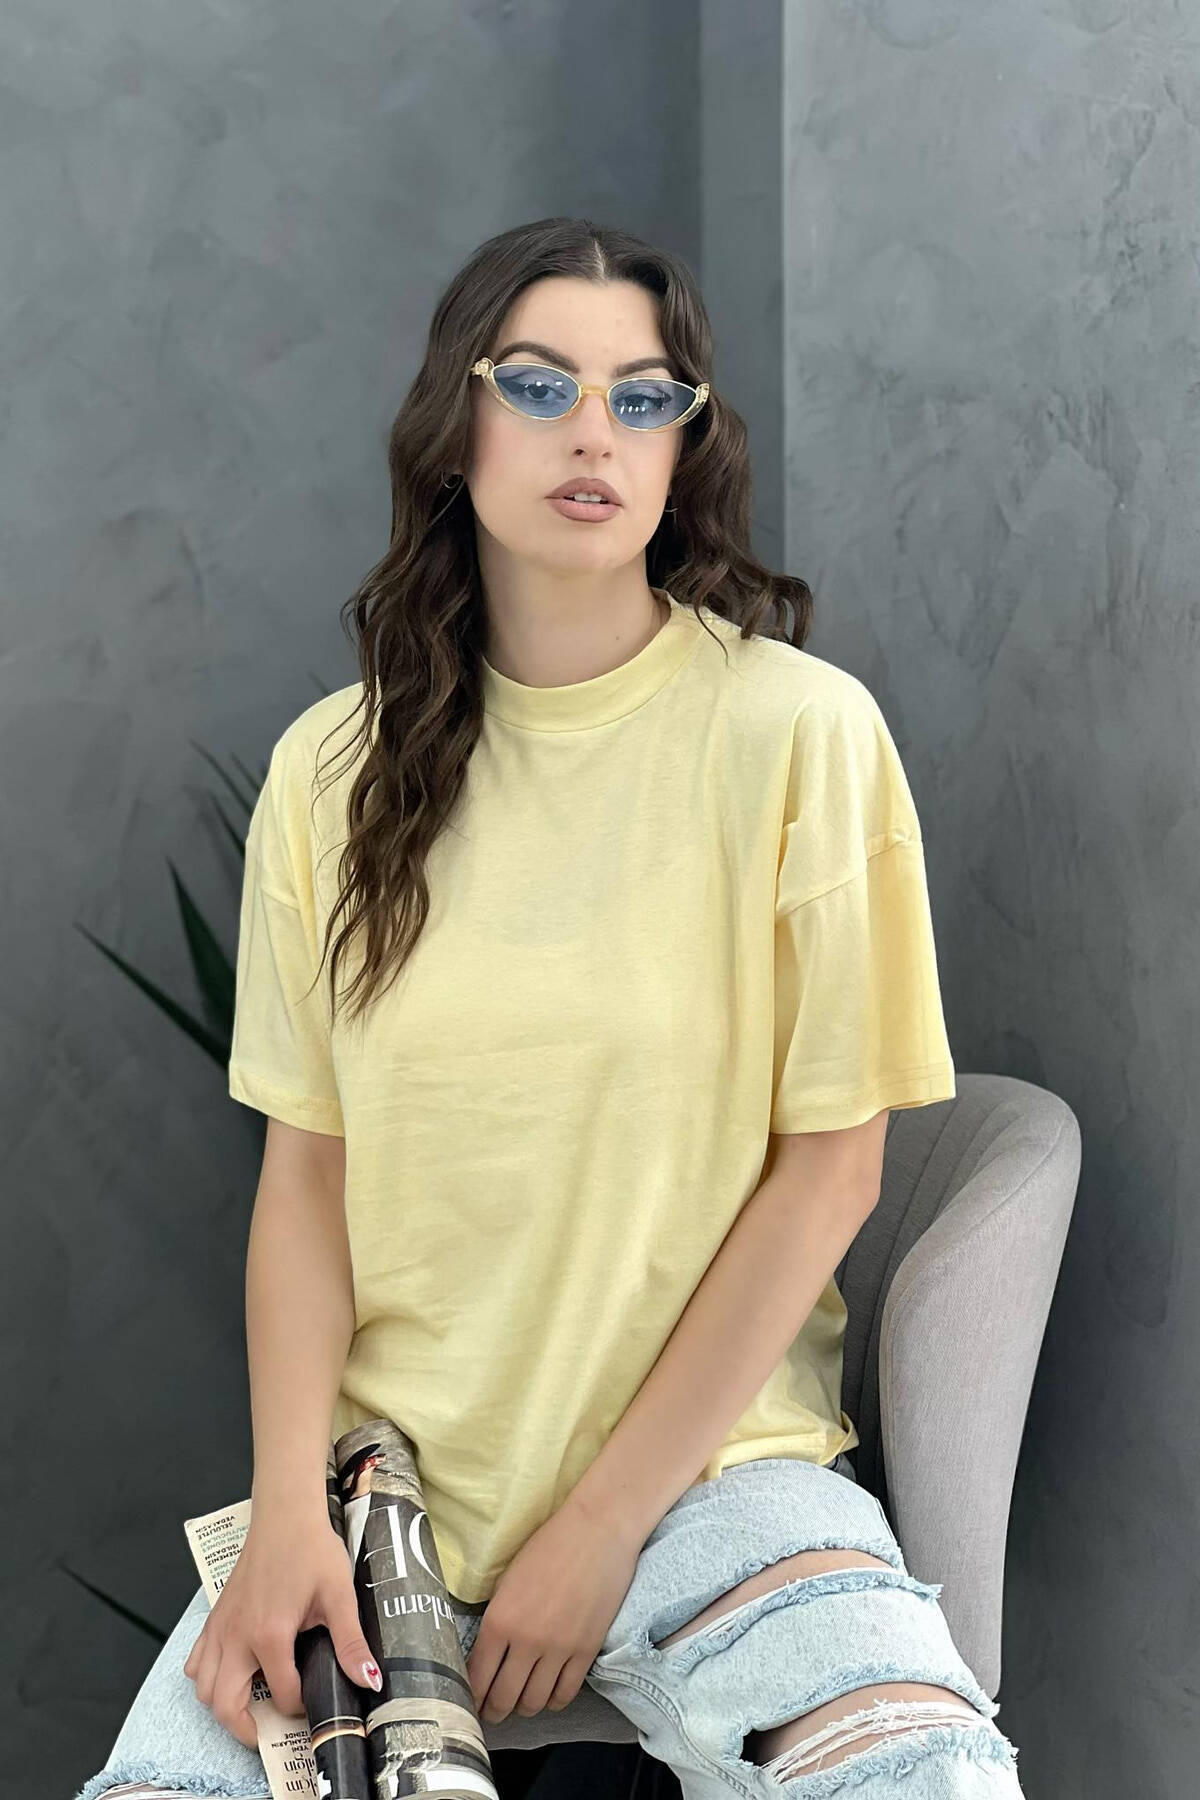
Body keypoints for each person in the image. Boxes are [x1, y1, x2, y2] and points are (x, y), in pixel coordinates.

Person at [75, 216, 1024, 1799]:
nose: (595, 431)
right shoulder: (328, 775)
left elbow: (831, 1172)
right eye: (539, 384)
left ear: (683, 447)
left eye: (643, 397)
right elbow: (306, 1185)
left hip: (715, 1480)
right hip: (390, 1509)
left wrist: (598, 1527)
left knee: (929, 1775)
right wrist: (289, 1511)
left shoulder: (800, 735)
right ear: (455, 427)